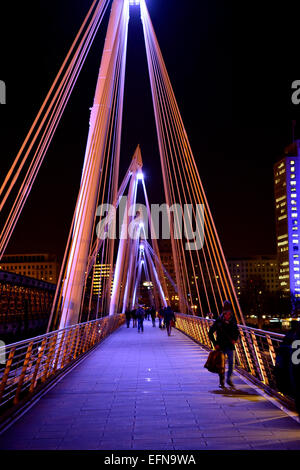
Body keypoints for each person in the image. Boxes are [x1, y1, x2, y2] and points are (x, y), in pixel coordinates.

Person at [208, 300, 239, 388]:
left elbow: (236, 332)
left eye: (230, 313)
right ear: (224, 313)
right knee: (221, 365)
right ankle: (222, 380)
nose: (228, 315)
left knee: (231, 363)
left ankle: (229, 379)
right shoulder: (218, 321)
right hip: (221, 345)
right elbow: (210, 333)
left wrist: (235, 339)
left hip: (230, 345)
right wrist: (215, 343)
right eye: (227, 313)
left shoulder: (233, 320)